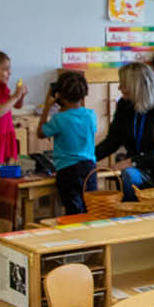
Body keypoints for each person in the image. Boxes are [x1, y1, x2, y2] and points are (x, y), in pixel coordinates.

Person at [95, 62, 154, 201]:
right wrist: (89, 158)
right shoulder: (125, 105)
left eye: (123, 83)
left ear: (136, 86)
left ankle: (133, 213)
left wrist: (133, 162)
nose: (119, 87)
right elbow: (113, 140)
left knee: (128, 174)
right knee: (128, 174)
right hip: (137, 168)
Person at [39, 69, 97, 215]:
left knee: (73, 212)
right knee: (90, 209)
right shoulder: (90, 115)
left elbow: (40, 133)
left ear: (61, 97)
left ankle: (75, 236)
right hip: (90, 168)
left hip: (67, 171)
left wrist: (47, 108)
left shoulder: (59, 119)